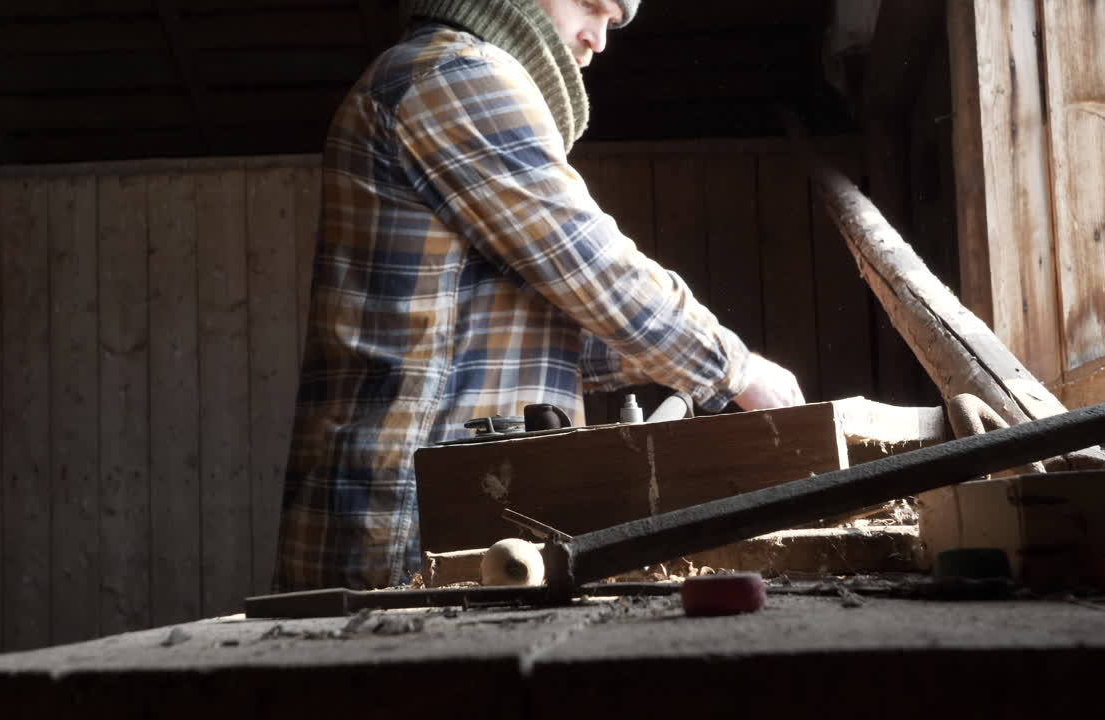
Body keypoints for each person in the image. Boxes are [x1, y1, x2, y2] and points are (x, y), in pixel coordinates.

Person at [273, 0, 805, 592]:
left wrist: (678, 363)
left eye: (613, 22)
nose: (599, 39)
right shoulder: (451, 76)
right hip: (402, 527)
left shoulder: (458, 79)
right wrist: (732, 367)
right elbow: (591, 265)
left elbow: (542, 330)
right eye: (592, 7)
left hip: (436, 519)